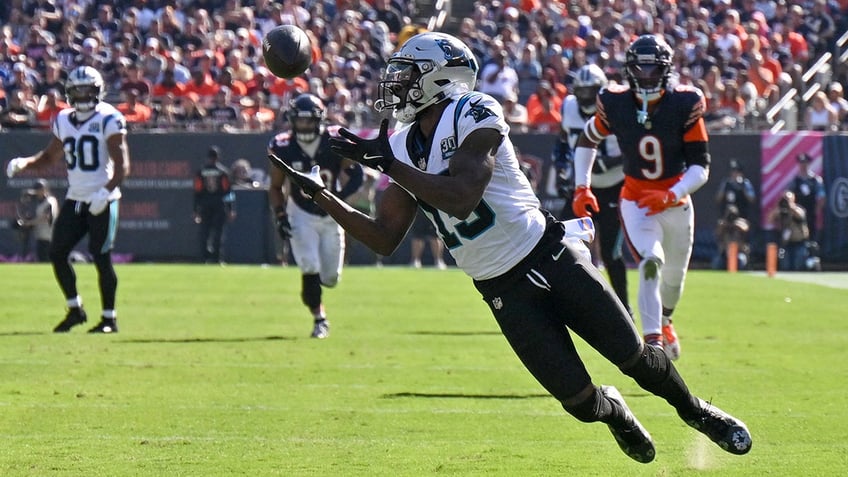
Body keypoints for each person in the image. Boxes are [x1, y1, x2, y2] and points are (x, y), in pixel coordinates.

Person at [270, 31, 751, 463]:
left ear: (439, 77)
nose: (396, 84)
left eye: (408, 74)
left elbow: (462, 197)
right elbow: (384, 237)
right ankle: (614, 412)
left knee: (636, 360)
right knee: (579, 402)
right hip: (499, 288)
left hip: (551, 258)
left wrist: (388, 165)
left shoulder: (473, 110)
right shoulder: (399, 144)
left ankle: (696, 410)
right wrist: (322, 196)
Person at [571, 34, 710, 362]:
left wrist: (672, 193)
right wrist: (581, 186)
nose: (646, 76)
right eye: (640, 69)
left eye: (653, 69)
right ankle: (653, 346)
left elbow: (701, 167)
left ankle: (665, 320)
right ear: (629, 70)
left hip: (676, 204)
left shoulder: (684, 103)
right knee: (650, 261)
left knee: (674, 278)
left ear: (666, 70)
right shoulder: (615, 102)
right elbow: (587, 140)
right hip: (636, 201)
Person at [6, 66, 130, 334]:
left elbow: (123, 166)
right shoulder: (63, 119)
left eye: (88, 90)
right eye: (78, 91)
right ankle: (75, 310)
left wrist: (106, 192)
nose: (83, 95)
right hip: (76, 198)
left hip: (103, 198)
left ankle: (109, 319)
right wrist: (25, 163)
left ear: (98, 91)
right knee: (57, 252)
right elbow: (50, 157)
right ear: (70, 93)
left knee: (101, 256)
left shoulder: (109, 117)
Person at [267, 93, 364, 339]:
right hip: (300, 212)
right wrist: (280, 215)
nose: (304, 125)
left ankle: (313, 291)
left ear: (319, 119)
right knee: (309, 266)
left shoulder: (333, 140)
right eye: (299, 120)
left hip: (331, 215)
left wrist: (340, 197)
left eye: (308, 120)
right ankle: (320, 319)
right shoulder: (283, 145)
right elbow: (275, 187)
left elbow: (356, 174)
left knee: (330, 278)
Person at [555, 64, 632, 317]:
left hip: (614, 187)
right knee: (560, 241)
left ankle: (624, 310)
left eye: (591, 91)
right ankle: (564, 304)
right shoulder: (568, 107)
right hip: (582, 187)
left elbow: (634, 146)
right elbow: (562, 141)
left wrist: (608, 162)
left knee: (611, 253)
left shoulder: (617, 107)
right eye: (582, 91)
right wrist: (562, 169)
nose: (586, 97)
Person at [193, 145, 236, 264]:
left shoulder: (201, 172)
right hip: (219, 205)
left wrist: (195, 210)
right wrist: (231, 208)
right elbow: (228, 192)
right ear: (218, 157)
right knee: (218, 232)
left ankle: (204, 257)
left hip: (205, 204)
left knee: (204, 232)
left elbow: (197, 191)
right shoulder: (223, 172)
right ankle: (217, 258)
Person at [17, 179, 59, 262]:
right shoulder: (39, 202)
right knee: (42, 261)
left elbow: (46, 217)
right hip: (41, 237)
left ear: (45, 189)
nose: (38, 192)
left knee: (46, 262)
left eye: (40, 189)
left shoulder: (50, 201)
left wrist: (29, 223)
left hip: (49, 238)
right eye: (36, 190)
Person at [789, 153, 826, 244]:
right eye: (801, 163)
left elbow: (822, 196)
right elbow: (788, 196)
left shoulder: (816, 180)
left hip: (810, 212)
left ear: (809, 164)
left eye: (805, 163)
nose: (803, 165)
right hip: (797, 213)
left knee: (811, 235)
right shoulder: (795, 181)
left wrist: (817, 210)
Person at [768, 190, 809, 271]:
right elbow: (770, 219)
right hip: (786, 244)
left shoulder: (798, 209)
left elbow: (800, 215)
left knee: (798, 266)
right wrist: (778, 206)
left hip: (799, 243)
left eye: (788, 199)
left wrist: (790, 206)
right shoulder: (781, 211)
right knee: (785, 266)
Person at [712, 205, 751, 270]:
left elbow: (745, 228)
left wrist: (735, 225)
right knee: (717, 263)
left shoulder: (740, 223)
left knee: (741, 260)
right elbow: (718, 231)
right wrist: (727, 225)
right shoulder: (723, 224)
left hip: (739, 253)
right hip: (724, 254)